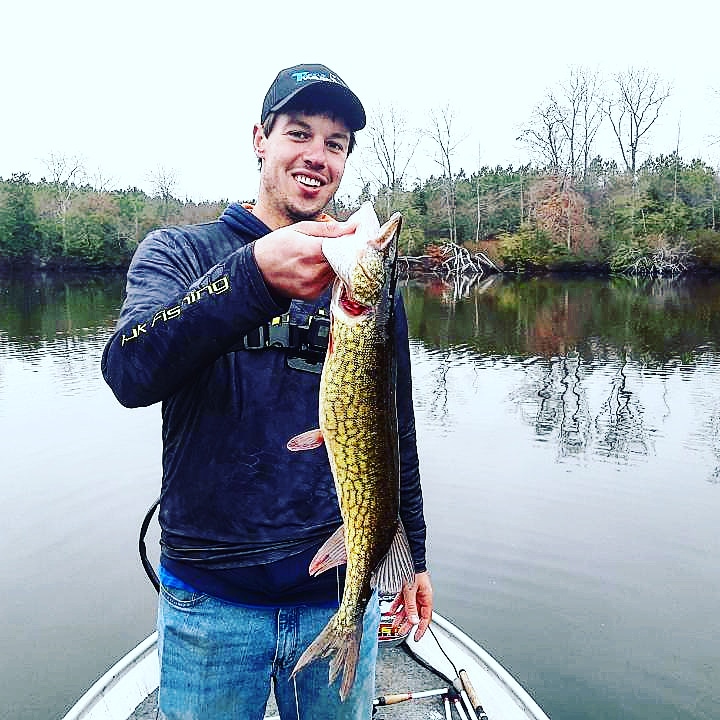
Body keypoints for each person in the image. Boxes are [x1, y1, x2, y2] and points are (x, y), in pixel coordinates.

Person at [101, 63, 433, 720]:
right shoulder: (184, 255)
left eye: (335, 144)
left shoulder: (362, 286)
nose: (317, 155)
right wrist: (251, 276)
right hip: (212, 606)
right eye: (299, 133)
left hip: (338, 587)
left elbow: (392, 431)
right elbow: (128, 371)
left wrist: (412, 555)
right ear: (260, 138)